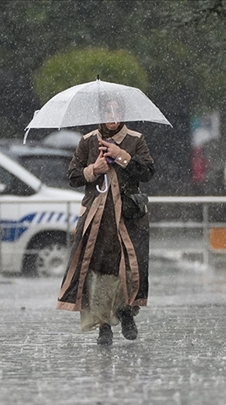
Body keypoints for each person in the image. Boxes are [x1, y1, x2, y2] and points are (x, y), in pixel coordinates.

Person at [57, 97, 155, 345]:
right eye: (107, 110)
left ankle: (126, 313)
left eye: (117, 110)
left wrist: (121, 156)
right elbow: (73, 175)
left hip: (128, 219)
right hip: (98, 221)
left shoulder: (135, 139)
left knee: (129, 268)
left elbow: (147, 172)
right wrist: (94, 169)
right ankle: (103, 325)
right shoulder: (88, 141)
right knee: (98, 271)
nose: (112, 115)